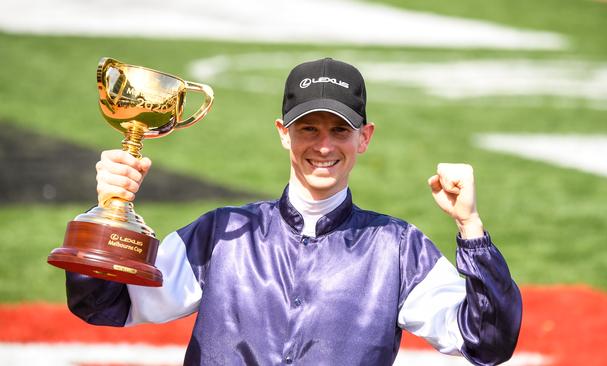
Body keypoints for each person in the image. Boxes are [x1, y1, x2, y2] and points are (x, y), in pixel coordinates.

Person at [67, 57, 522, 365]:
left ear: (364, 138)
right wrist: (108, 207)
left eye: (339, 130)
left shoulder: (399, 249)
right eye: (308, 128)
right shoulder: (221, 233)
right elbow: (103, 305)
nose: (323, 146)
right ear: (284, 133)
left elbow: (488, 342)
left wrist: (470, 228)